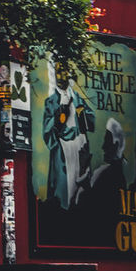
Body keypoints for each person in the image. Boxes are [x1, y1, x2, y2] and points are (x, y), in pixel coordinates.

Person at [41, 67, 94, 210]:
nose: (61, 75)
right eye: (58, 71)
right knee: (63, 188)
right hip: (63, 149)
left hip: (79, 145)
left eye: (63, 71)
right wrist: (57, 119)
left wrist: (83, 114)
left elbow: (90, 119)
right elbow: (47, 131)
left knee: (81, 187)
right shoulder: (51, 102)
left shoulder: (77, 98)